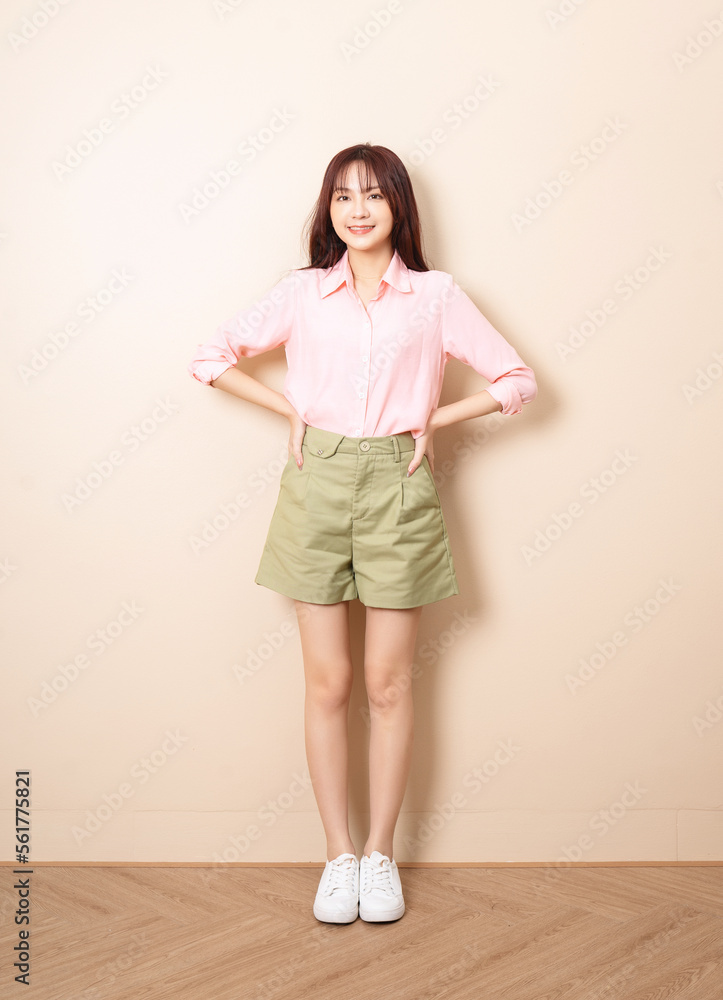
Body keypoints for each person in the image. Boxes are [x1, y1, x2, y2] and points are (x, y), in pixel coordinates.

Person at [188, 142, 537, 924]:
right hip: (316, 481)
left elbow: (517, 379)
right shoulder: (304, 293)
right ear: (327, 208)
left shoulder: (438, 295)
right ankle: (336, 856)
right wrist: (288, 411)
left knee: (386, 685)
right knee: (328, 684)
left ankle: (380, 857)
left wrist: (436, 418)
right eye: (342, 196)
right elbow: (208, 357)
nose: (356, 209)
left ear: (397, 207)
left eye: (373, 196)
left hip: (398, 485)